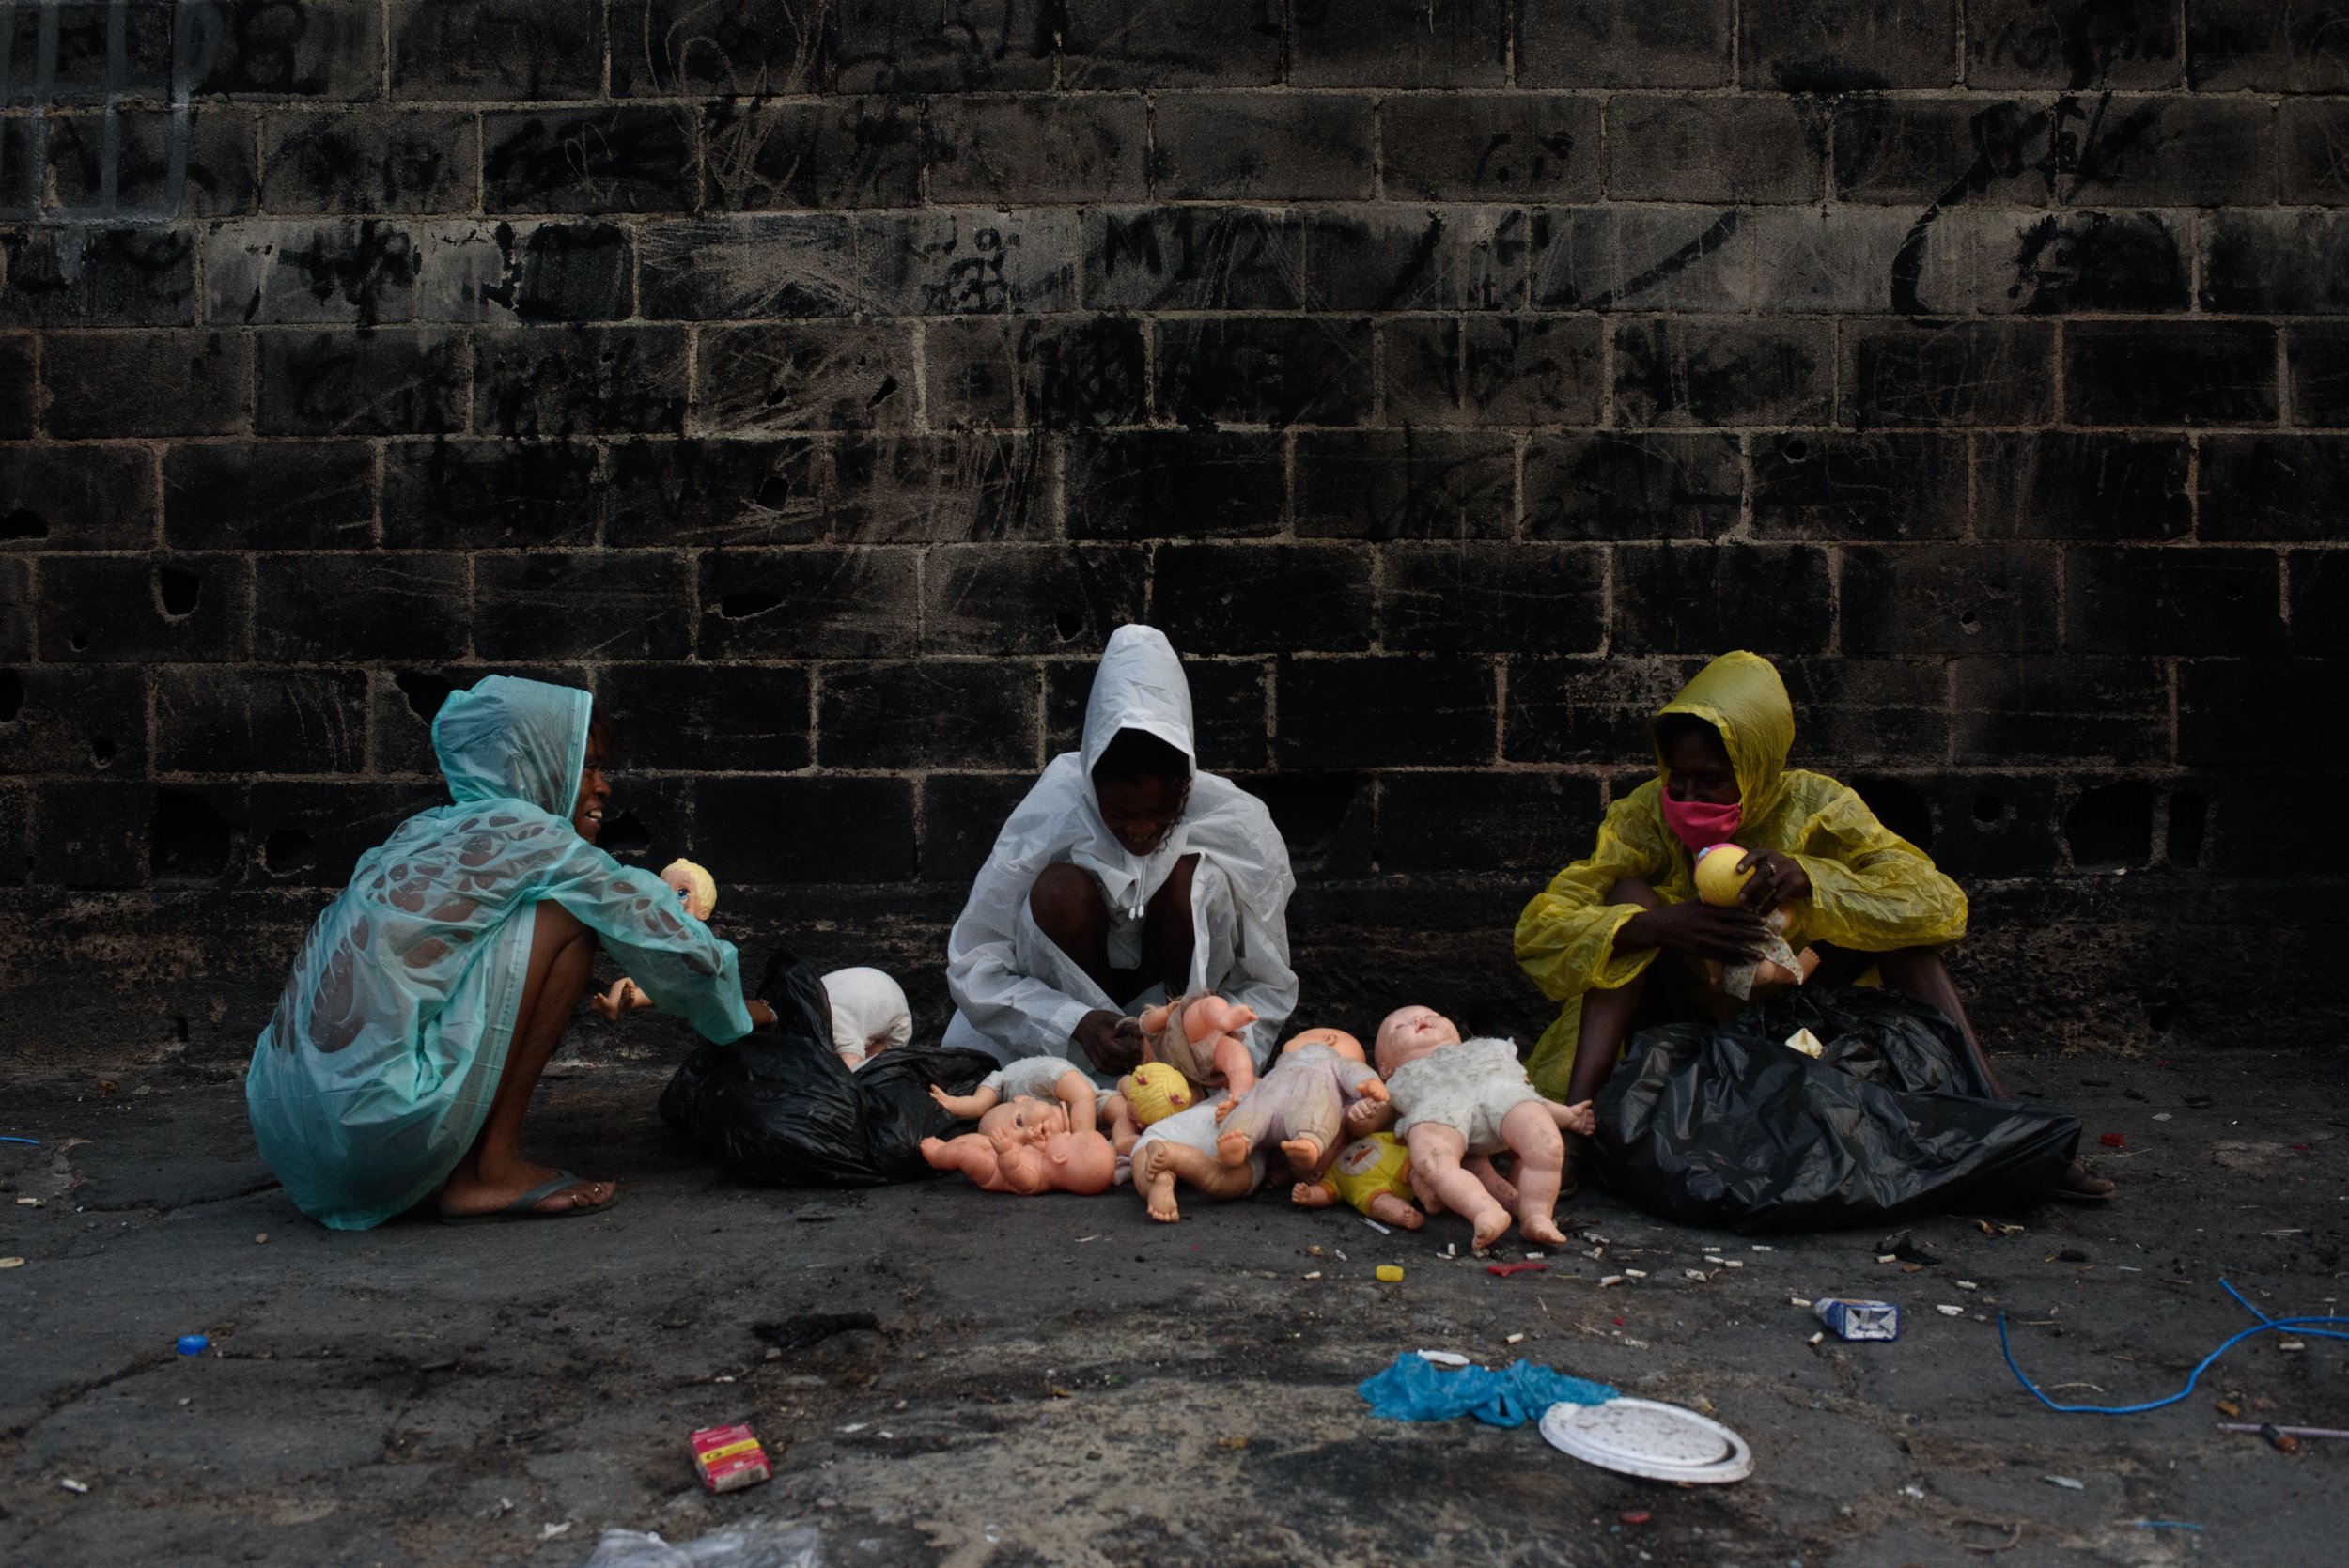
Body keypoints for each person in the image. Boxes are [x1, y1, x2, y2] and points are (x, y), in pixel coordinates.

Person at [1513, 650, 2112, 1199]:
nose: (1689, 794)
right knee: (1627, 898)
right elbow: (1542, 930)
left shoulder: (1819, 807)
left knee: (1908, 939)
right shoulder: (1642, 815)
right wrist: (1659, 927)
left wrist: (1816, 881)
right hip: (1682, 1016)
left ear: (1757, 765)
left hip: (1801, 1022)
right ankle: (1578, 1128)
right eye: (1678, 779)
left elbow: (1938, 904)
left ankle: (2004, 1115)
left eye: (1712, 780)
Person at [245, 675, 788, 1230]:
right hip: (376, 1133)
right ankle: (489, 1171)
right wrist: (739, 1014)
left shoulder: (423, 832)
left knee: (527, 913)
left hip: (295, 1141)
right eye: (588, 766)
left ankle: (458, 1167)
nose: (603, 788)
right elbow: (652, 924)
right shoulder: (525, 831)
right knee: (571, 911)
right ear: (533, 765)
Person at [942, 625, 1297, 1083]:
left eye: (1161, 812)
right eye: (1120, 815)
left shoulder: (1235, 821)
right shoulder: (1057, 806)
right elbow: (977, 957)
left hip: (1178, 1037)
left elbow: (1268, 979)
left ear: (1185, 784)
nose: (1143, 830)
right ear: (1092, 781)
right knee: (1057, 889)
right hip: (1072, 1030)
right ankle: (1090, 1065)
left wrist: (1218, 1047)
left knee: (1195, 879)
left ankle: (1165, 1060)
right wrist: (1075, 1022)